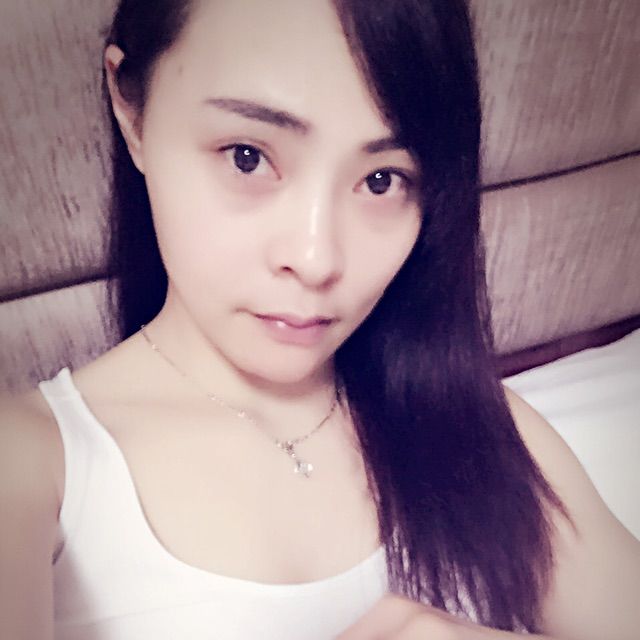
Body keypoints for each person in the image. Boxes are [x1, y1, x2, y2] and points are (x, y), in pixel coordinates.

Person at [1, 0, 638, 638]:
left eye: (382, 180)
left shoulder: (477, 426)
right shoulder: (31, 462)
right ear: (132, 109)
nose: (316, 259)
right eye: (247, 156)